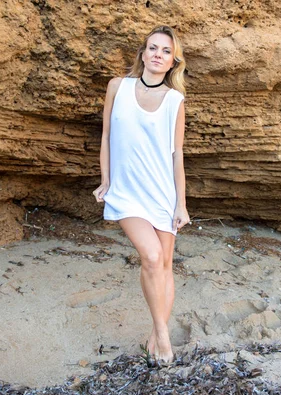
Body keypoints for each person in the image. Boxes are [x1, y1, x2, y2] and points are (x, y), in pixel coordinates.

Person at [92, 25, 190, 363]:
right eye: (152, 48)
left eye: (165, 51)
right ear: (143, 53)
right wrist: (106, 180)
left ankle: (153, 333)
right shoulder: (118, 87)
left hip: (162, 192)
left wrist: (182, 203)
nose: (157, 55)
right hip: (126, 191)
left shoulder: (175, 100)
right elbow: (106, 136)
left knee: (164, 264)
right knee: (150, 257)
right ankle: (163, 335)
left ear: (173, 61)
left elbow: (177, 154)